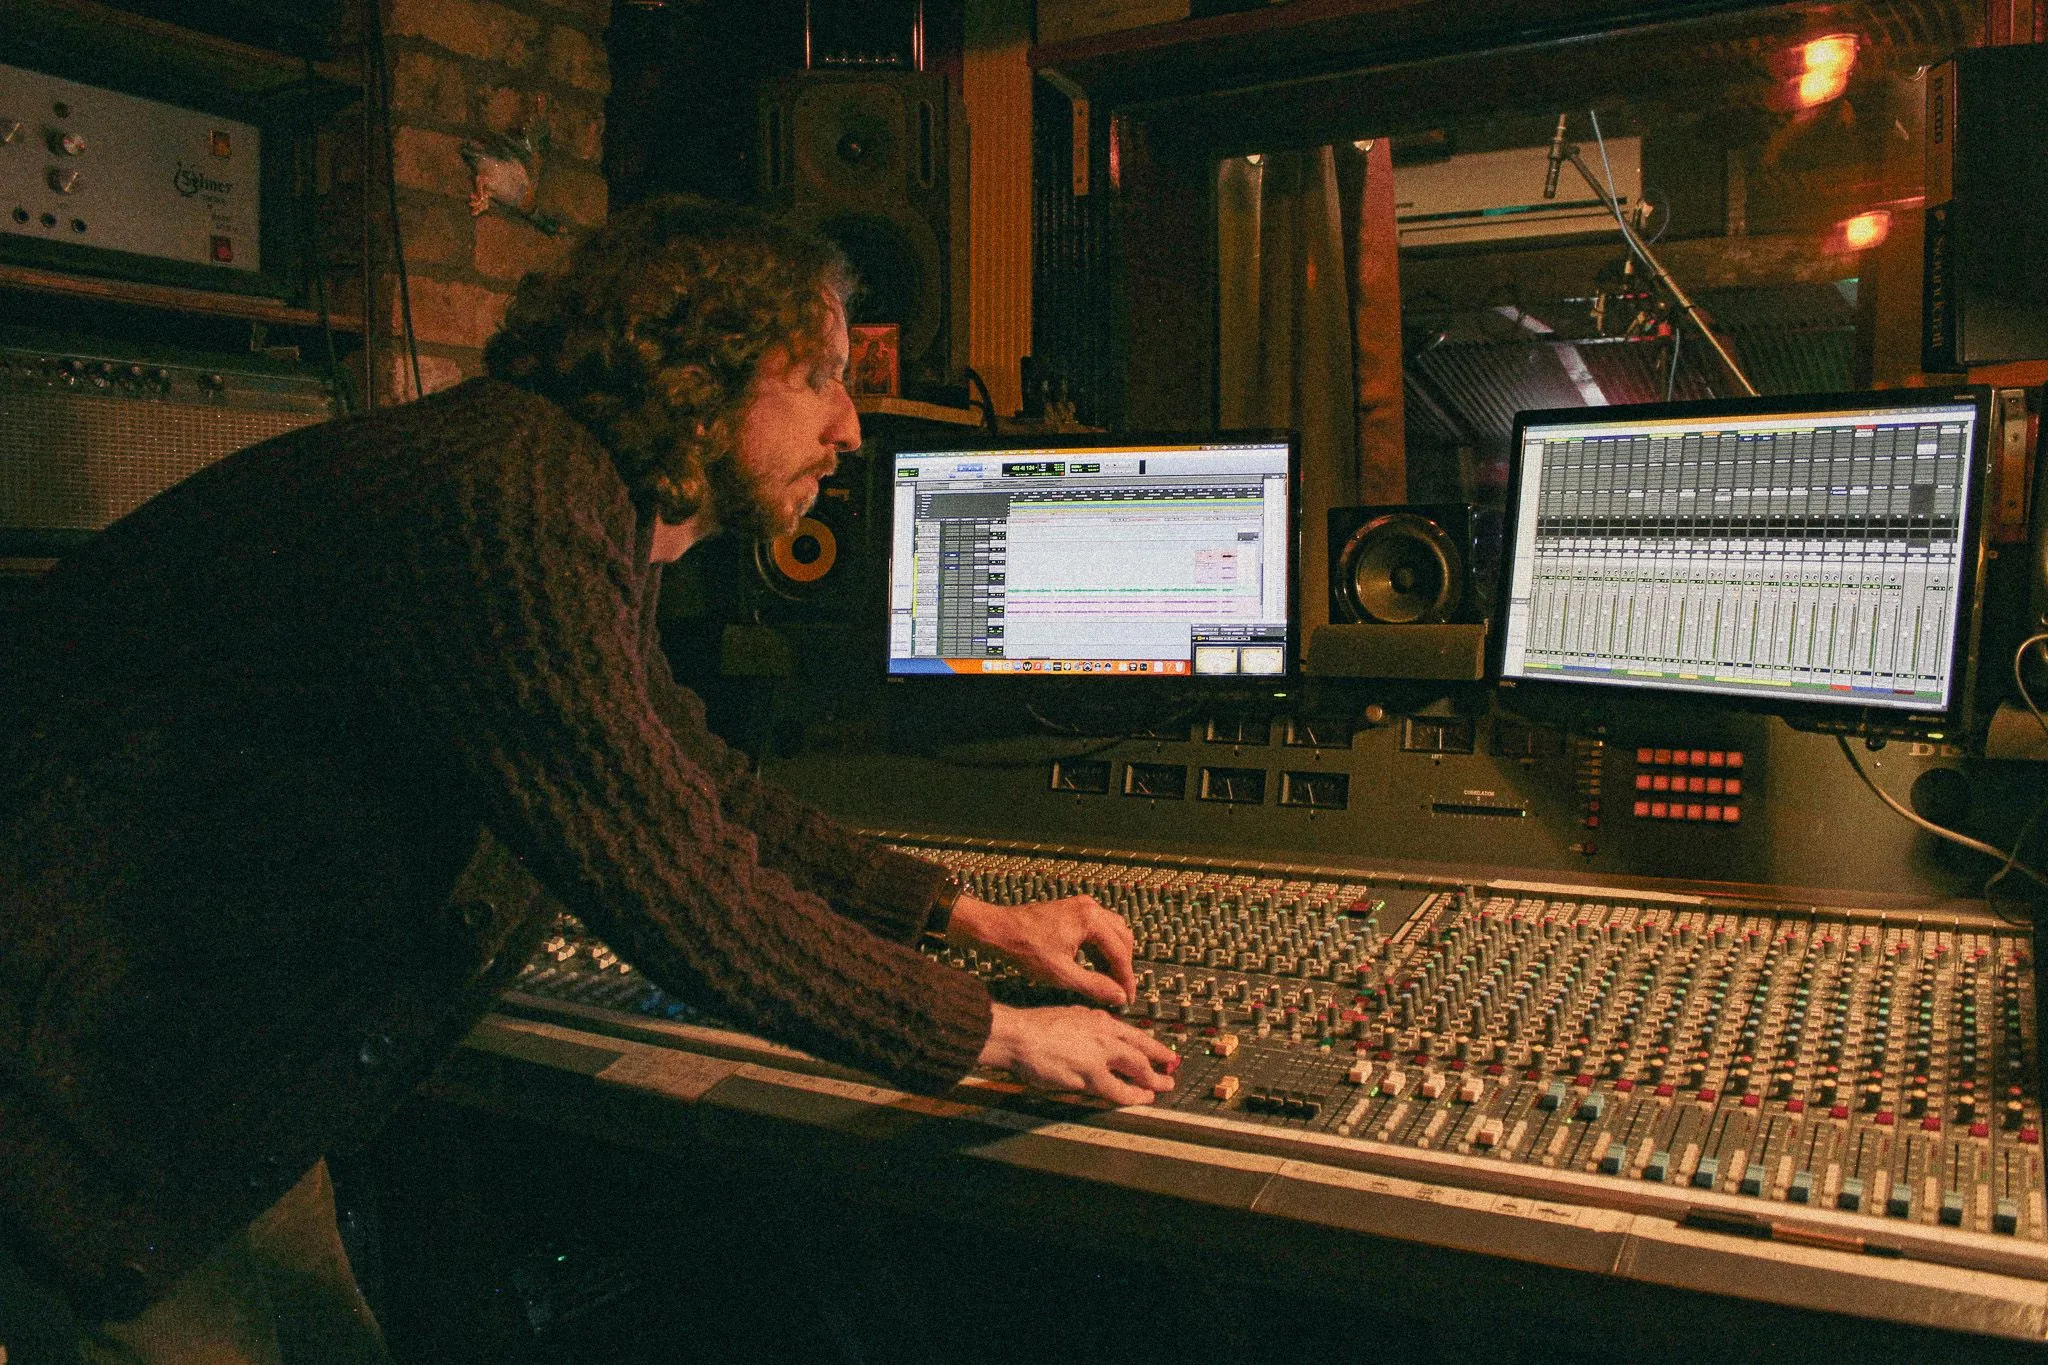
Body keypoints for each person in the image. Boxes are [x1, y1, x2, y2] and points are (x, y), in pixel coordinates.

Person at [0, 194, 1177, 1364]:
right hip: (69, 1092)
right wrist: (995, 1036)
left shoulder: (558, 488)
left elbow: (698, 779)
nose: (851, 429)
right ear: (704, 373)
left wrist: (968, 918)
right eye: (821, 377)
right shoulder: (505, 506)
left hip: (186, 1074)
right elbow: (683, 888)